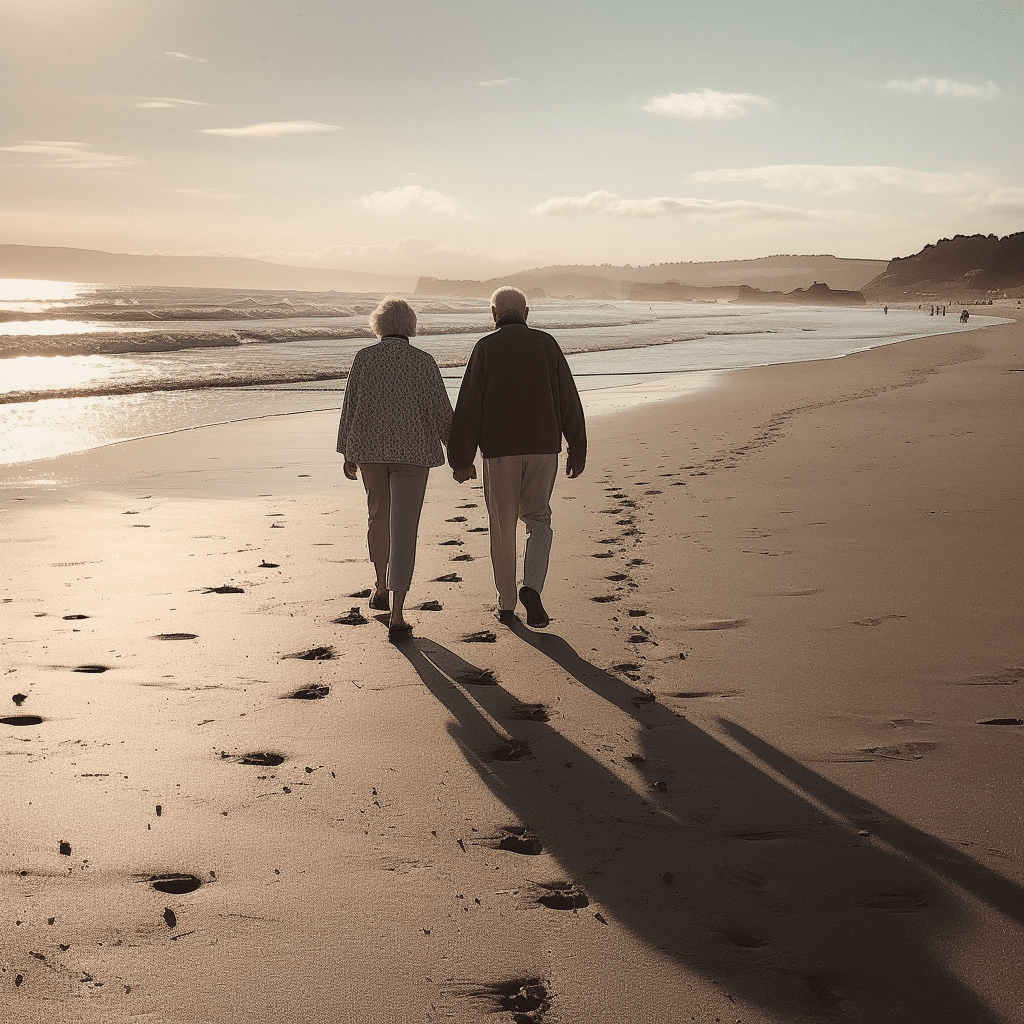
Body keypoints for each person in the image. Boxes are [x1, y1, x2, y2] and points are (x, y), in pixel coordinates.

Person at [448, 286, 586, 628]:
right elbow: (568, 397)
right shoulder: (547, 344)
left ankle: (507, 604)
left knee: (502, 526)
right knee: (538, 520)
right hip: (543, 447)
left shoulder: (485, 348)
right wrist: (577, 446)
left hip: (500, 451)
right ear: (526, 314)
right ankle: (532, 587)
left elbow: (470, 406)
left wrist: (461, 458)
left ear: (494, 314)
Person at [337, 297, 453, 637]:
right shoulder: (423, 362)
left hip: (370, 451)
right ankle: (398, 614)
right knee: (404, 529)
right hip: (413, 454)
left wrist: (347, 452)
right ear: (410, 326)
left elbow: (350, 407)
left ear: (379, 324)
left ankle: (380, 587)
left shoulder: (364, 358)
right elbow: (441, 411)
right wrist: (459, 453)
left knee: (377, 517)